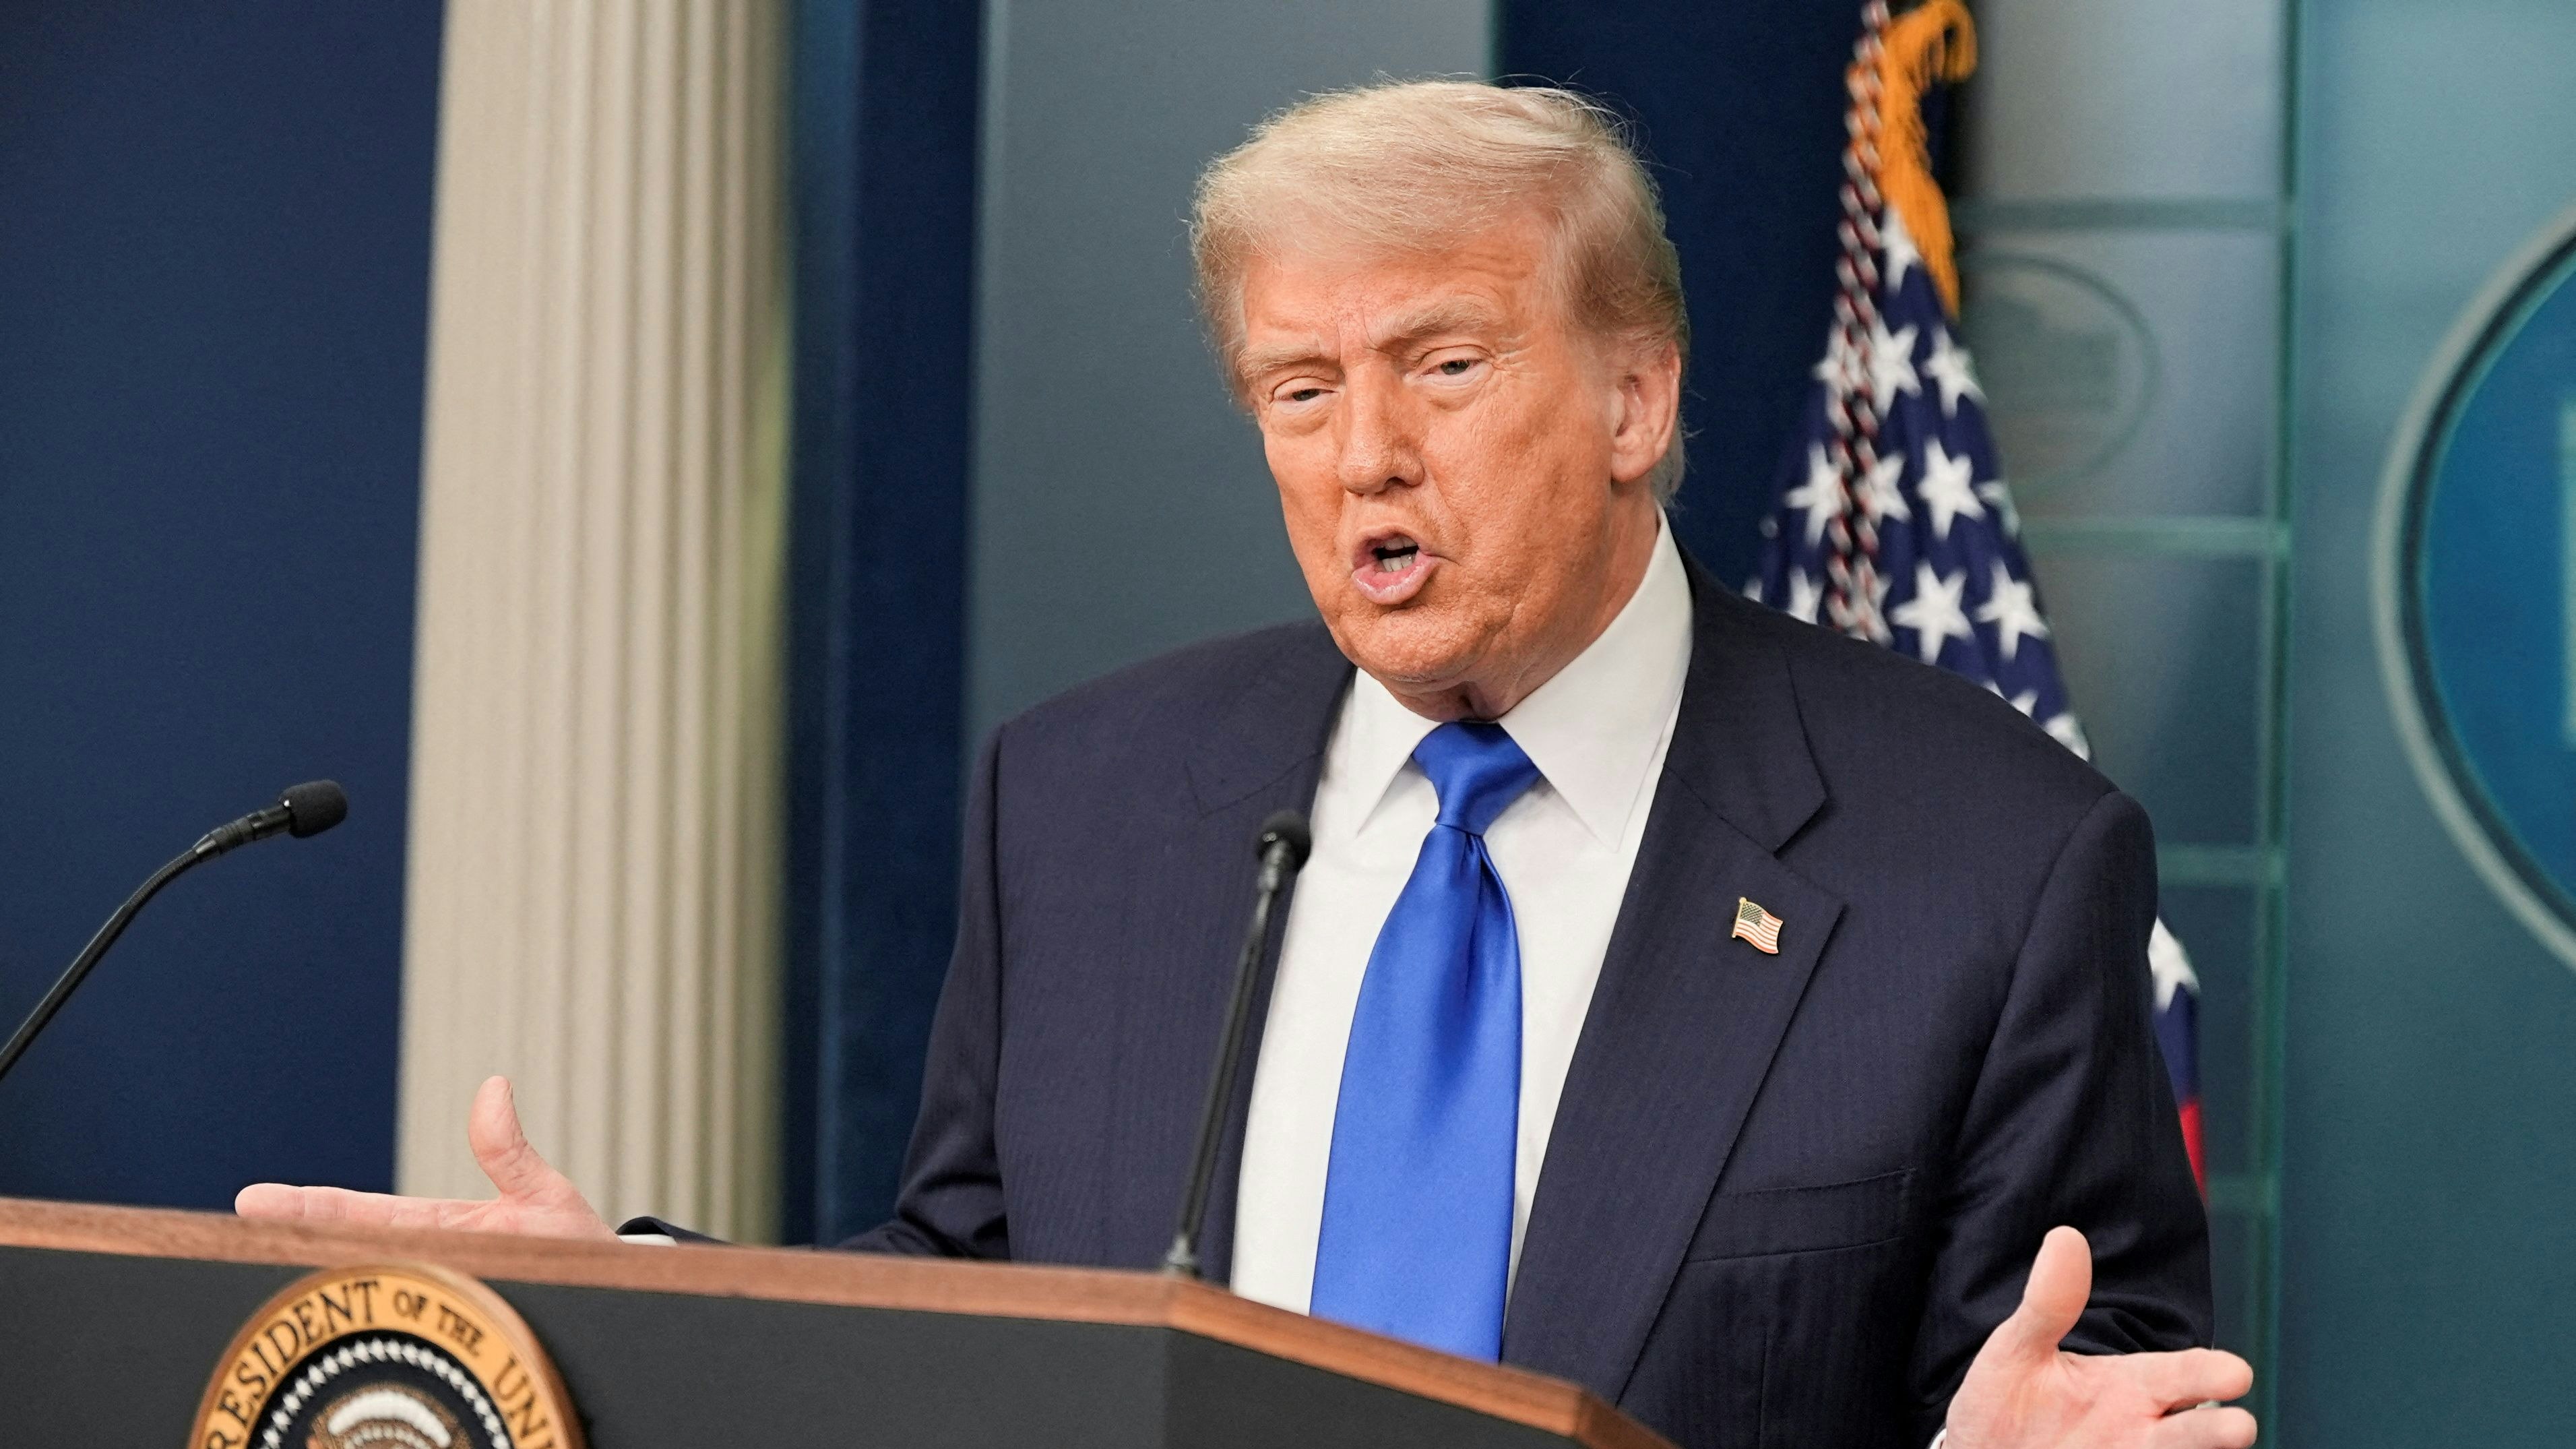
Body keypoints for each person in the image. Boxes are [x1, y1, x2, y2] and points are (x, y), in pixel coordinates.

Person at [241, 82, 2254, 1449]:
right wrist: (651, 1311)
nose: (1364, 453)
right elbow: (978, 1302)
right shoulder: (1090, 805)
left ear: (1637, 393)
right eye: (1302, 388)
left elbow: (2089, 1401)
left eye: (1441, 367)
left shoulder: (1986, 867)